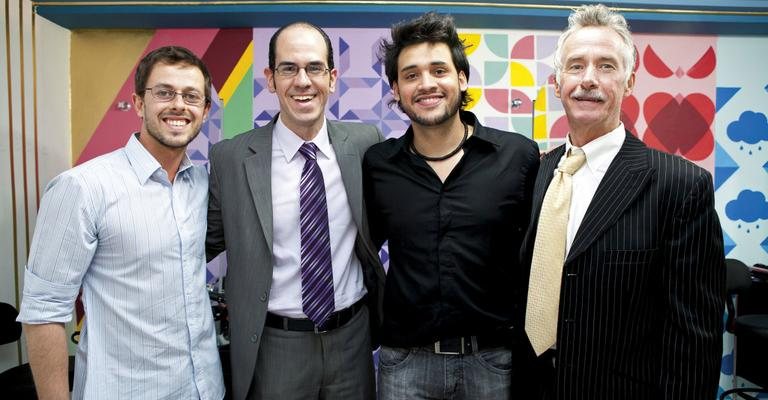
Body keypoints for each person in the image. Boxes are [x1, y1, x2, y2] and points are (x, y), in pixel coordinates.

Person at [519, 4, 726, 399]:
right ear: (556, 81)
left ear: (629, 83)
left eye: (607, 66)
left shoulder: (680, 186)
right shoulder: (538, 173)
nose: (588, 80)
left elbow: (694, 338)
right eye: (576, 66)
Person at [17, 46, 224, 400]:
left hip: (204, 389)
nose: (179, 105)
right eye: (164, 92)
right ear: (139, 103)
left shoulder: (203, 185)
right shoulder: (83, 187)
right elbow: (43, 311)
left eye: (191, 96)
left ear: (204, 111)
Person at [363, 12, 541, 400]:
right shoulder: (378, 165)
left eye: (439, 70)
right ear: (396, 88)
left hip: (493, 362)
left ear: (461, 79)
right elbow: (363, 252)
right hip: (404, 363)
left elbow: (537, 258)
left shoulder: (517, 156)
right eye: (410, 75)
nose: (426, 84)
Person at [206, 22, 385, 400]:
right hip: (274, 346)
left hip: (352, 340)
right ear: (270, 79)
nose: (303, 81)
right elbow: (201, 244)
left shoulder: (367, 143)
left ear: (332, 78)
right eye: (288, 68)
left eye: (314, 68)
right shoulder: (231, 158)